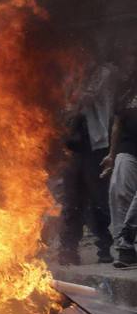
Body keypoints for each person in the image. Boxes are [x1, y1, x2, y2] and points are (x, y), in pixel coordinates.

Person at [60, 63, 116, 264]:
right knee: (71, 199)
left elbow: (85, 98)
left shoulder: (102, 71)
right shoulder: (70, 72)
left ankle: (104, 248)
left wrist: (71, 102)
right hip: (72, 148)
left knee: (98, 199)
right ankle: (68, 250)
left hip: (96, 145)